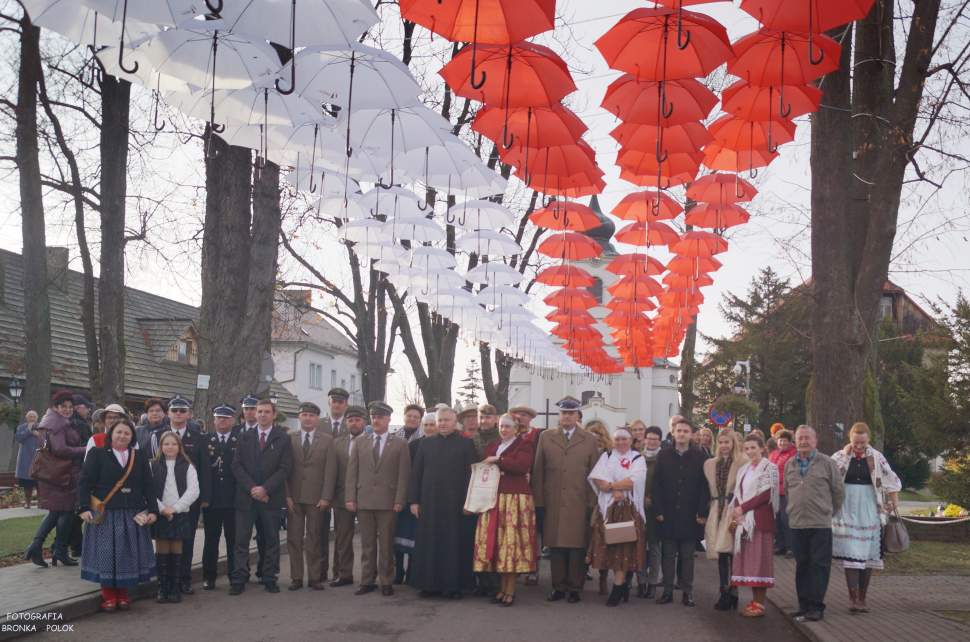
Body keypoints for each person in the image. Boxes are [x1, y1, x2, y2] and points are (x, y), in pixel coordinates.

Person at [78, 418, 158, 612]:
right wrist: (83, 508)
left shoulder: (138, 456)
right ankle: (108, 596)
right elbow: (84, 482)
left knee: (126, 555)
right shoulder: (97, 454)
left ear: (132, 437)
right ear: (111, 434)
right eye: (119, 432)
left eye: (127, 433)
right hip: (106, 513)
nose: (122, 436)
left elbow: (149, 485)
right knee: (107, 555)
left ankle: (123, 594)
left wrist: (153, 510)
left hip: (132, 512)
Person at [531, 397, 600, 604]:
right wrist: (539, 502)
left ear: (578, 416)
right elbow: (538, 471)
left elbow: (595, 473)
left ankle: (575, 587)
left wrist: (592, 503)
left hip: (579, 501)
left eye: (571, 413)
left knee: (577, 546)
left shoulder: (589, 439)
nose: (566, 417)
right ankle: (558, 587)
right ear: (559, 416)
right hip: (552, 501)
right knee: (556, 546)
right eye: (563, 413)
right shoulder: (546, 437)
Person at [830, 422, 901, 614]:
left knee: (867, 555)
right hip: (846, 508)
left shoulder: (876, 457)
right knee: (851, 554)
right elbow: (827, 476)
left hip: (869, 508)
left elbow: (890, 479)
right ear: (850, 439)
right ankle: (853, 599)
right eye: (855, 442)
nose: (859, 446)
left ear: (868, 439)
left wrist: (893, 502)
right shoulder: (840, 456)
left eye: (862, 442)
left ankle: (863, 598)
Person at [408, 406, 478, 598]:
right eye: (440, 421)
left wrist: (469, 503)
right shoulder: (426, 444)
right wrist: (414, 501)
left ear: (455, 422)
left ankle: (453, 587)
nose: (443, 424)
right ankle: (428, 585)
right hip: (429, 503)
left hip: (456, 505)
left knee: (453, 546)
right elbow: (416, 474)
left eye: (447, 420)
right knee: (429, 544)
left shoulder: (466, 444)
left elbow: (471, 476)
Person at [229, 399, 294, 595]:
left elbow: (285, 468)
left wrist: (265, 489)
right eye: (259, 411)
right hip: (246, 498)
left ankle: (269, 577)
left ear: (274, 414)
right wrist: (252, 488)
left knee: (271, 540)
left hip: (271, 498)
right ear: (254, 414)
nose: (262, 415)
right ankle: (239, 578)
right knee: (241, 540)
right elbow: (236, 466)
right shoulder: (244, 437)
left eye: (267, 412)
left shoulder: (282, 438)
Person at [346, 401, 410, 597]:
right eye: (374, 417)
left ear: (389, 419)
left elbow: (403, 475)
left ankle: (386, 581)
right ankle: (367, 580)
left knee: (386, 544)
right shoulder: (359, 442)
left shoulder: (400, 444)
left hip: (388, 502)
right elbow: (352, 472)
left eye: (380, 417)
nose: (376, 420)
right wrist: (350, 497)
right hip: (364, 501)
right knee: (367, 544)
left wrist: (400, 499)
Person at [473, 413, 537, 607]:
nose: (504, 429)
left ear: (516, 428)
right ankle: (501, 589)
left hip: (515, 499)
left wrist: (498, 460)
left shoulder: (523, 445)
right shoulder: (492, 446)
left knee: (512, 544)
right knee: (499, 545)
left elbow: (521, 466)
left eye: (508, 426)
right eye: (501, 426)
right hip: (494, 499)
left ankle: (510, 590)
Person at [784, 425, 845, 622]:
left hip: (820, 523)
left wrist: (828, 512)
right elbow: (787, 489)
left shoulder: (827, 463)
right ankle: (803, 605)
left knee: (819, 565)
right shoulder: (789, 464)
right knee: (802, 565)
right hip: (797, 523)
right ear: (795, 441)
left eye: (807, 438)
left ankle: (816, 607)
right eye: (800, 438)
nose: (803, 441)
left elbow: (838, 492)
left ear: (815, 441)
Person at [652, 419, 710, 607]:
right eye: (679, 431)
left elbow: (704, 487)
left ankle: (687, 592)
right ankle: (668, 591)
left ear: (691, 434)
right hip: (667, 514)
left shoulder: (700, 456)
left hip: (690, 515)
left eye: (686, 431)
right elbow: (656, 485)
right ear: (674, 433)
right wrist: (658, 510)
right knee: (667, 556)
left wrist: (702, 512)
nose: (682, 434)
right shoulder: (664, 454)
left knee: (687, 556)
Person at [587, 427, 647, 607]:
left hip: (627, 511)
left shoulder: (637, 458)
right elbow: (598, 479)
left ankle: (618, 587)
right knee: (610, 550)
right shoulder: (606, 457)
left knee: (623, 550)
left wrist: (614, 486)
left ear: (631, 441)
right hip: (608, 510)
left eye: (624, 439)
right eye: (618, 439)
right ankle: (620, 585)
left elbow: (634, 481)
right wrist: (614, 488)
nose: (621, 442)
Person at [24, 390, 85, 568]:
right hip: (61, 476)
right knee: (64, 512)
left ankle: (41, 547)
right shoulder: (57, 424)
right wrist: (85, 449)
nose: (67, 410)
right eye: (63, 407)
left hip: (56, 475)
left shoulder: (51, 421)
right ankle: (55, 550)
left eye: (70, 407)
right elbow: (60, 449)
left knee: (57, 512)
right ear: (55, 407)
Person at [157, 395, 210, 595]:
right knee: (163, 541)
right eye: (174, 410)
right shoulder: (159, 435)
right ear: (168, 413)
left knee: (186, 541)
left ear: (189, 414)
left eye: (182, 410)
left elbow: (204, 469)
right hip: (163, 501)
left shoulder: (198, 436)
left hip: (189, 501)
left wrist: (205, 498)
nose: (178, 414)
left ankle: (184, 580)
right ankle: (164, 582)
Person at [286, 401, 337, 591]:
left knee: (314, 538)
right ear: (299, 417)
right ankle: (296, 577)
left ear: (317, 419)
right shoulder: (290, 438)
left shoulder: (327, 440)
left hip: (317, 499)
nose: (307, 418)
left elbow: (330, 471)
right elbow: (284, 469)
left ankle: (315, 577)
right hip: (294, 498)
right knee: (294, 538)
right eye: (304, 415)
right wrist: (287, 496)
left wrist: (326, 497)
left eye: (311, 415)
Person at [730, 433, 779, 618]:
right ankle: (754, 601)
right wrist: (737, 511)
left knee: (760, 563)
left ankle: (760, 603)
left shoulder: (770, 468)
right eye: (747, 448)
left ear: (762, 448)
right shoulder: (744, 469)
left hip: (760, 522)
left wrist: (743, 508)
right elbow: (738, 493)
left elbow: (766, 495)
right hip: (745, 522)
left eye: (753, 448)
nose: (750, 451)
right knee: (749, 563)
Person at [151, 431, 201, 604]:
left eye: (173, 444)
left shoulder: (188, 466)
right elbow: (147, 491)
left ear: (179, 447)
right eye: (166, 444)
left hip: (179, 513)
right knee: (162, 551)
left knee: (176, 551)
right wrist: (162, 508)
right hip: (161, 513)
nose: (169, 447)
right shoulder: (153, 465)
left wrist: (176, 508)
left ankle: (174, 587)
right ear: (161, 447)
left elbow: (194, 491)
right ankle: (162, 588)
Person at [704, 429, 747, 611]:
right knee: (721, 553)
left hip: (734, 510)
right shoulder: (711, 464)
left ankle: (734, 591)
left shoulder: (742, 463)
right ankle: (723, 591)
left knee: (733, 553)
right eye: (720, 442)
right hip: (717, 510)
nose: (723, 446)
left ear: (733, 444)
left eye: (727, 442)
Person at [394, 411, 436, 585]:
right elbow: (407, 474)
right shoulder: (413, 446)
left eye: (431, 424)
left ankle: (412, 571)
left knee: (416, 539)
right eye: (425, 425)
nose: (428, 428)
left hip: (430, 499)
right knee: (401, 537)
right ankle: (398, 572)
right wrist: (410, 499)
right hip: (411, 498)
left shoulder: (441, 445)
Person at [329, 405, 367, 587]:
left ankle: (368, 577)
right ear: (346, 423)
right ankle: (344, 574)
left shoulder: (370, 441)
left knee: (368, 540)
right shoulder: (337, 443)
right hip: (342, 498)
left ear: (364, 422)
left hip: (367, 498)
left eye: (357, 420)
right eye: (350, 420)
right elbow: (331, 472)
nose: (354, 423)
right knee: (342, 538)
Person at [202, 404, 239, 591]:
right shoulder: (206, 440)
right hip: (212, 500)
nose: (222, 421)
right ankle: (209, 577)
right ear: (214, 420)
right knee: (211, 540)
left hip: (233, 500)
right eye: (219, 418)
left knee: (233, 540)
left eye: (226, 418)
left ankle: (234, 576)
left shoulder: (238, 440)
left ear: (232, 420)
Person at [583, 419, 613, 596]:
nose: (595, 439)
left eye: (598, 435)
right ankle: (582, 572)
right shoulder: (582, 452)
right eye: (591, 435)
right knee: (584, 539)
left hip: (603, 501)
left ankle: (603, 577)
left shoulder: (608, 455)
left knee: (603, 540)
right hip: (584, 499)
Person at [637, 425, 664, 599]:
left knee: (654, 547)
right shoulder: (637, 457)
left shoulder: (665, 458)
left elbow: (666, 484)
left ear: (660, 441)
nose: (652, 441)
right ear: (644, 439)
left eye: (655, 439)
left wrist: (652, 498)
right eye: (650, 438)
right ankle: (640, 582)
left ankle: (653, 582)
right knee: (639, 545)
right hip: (638, 507)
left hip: (656, 509)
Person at [769, 429, 797, 556]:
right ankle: (780, 545)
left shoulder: (794, 454)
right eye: (780, 440)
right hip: (774, 491)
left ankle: (791, 546)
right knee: (777, 519)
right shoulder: (774, 454)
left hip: (787, 491)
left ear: (790, 442)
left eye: (785, 441)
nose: (782, 443)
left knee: (787, 519)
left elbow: (792, 473)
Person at [15, 410, 40, 509]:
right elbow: (18, 438)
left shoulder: (41, 427)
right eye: (30, 416)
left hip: (39, 459)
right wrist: (28, 431)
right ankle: (28, 503)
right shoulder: (22, 427)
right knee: (27, 483)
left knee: (39, 483)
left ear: (37, 418)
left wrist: (38, 434)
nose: (32, 418)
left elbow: (47, 439)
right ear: (26, 418)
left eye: (34, 416)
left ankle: (40, 502)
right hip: (25, 459)